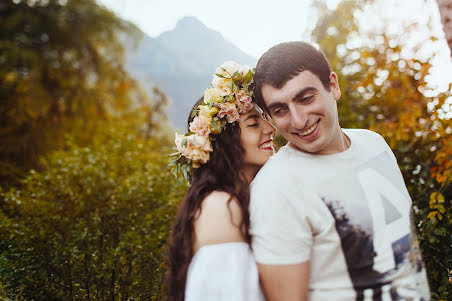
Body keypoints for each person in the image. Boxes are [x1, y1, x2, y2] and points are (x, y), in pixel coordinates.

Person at [250, 41, 430, 301]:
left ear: (332, 86)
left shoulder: (374, 144)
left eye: (306, 98)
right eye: (280, 110)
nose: (299, 120)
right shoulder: (274, 187)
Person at [165, 61, 275, 301]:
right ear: (226, 143)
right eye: (254, 124)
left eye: (264, 118)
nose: (271, 128)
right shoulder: (219, 206)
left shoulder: (246, 196)